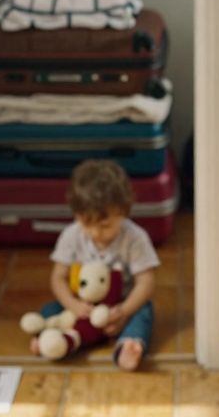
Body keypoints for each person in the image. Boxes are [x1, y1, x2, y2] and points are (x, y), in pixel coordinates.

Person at [31, 159, 158, 371]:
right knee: (51, 308)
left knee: (144, 311)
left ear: (123, 211)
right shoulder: (71, 235)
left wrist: (124, 311)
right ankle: (48, 336)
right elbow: (58, 277)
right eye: (87, 224)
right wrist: (72, 305)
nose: (96, 233)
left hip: (120, 304)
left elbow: (146, 280)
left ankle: (128, 345)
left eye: (105, 225)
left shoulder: (135, 237)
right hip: (82, 306)